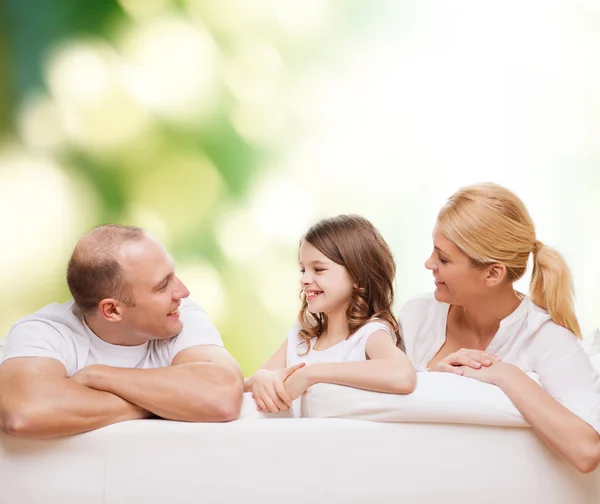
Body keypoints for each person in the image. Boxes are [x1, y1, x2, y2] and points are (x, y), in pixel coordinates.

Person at [399, 182, 600, 473]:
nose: (429, 263)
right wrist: (437, 380)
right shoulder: (418, 314)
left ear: (493, 273)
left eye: (443, 258)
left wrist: (503, 373)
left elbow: (587, 451)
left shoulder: (548, 339)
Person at [0, 224, 243, 439]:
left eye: (173, 275)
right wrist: (165, 405)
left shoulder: (179, 315)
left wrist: (99, 376)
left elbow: (222, 397)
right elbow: (24, 413)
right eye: (162, 286)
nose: (183, 291)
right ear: (112, 310)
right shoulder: (44, 332)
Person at [245, 215, 416, 416]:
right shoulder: (302, 335)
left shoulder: (369, 334)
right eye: (303, 270)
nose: (305, 280)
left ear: (357, 276)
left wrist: (311, 373)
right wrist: (260, 378)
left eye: (318, 269)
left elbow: (404, 375)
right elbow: (244, 387)